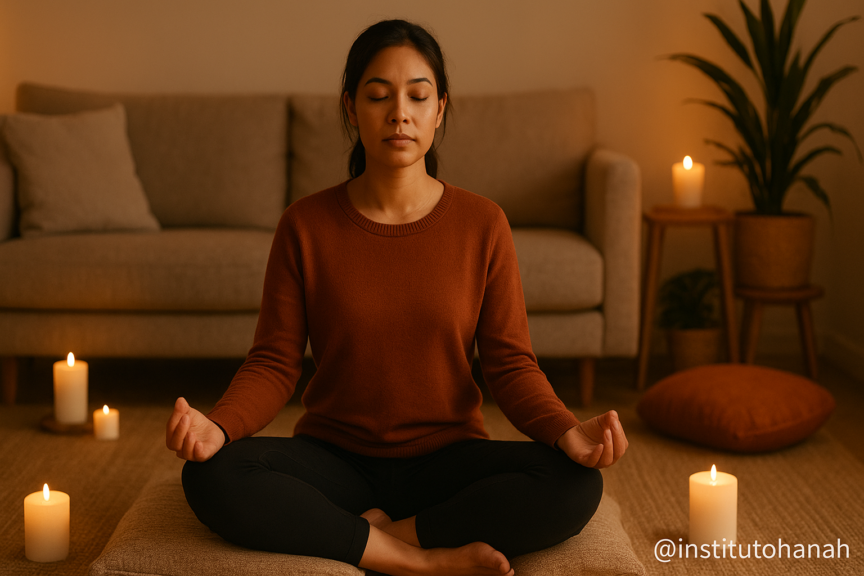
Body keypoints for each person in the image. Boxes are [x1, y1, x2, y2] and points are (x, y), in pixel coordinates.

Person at [167, 19, 628, 576]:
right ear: (349, 108)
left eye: (417, 95)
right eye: (378, 95)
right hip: (335, 460)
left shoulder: (483, 223)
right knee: (211, 475)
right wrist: (218, 426)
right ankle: (420, 561)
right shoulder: (305, 225)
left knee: (574, 484)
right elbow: (274, 361)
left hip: (448, 460)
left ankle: (383, 536)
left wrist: (565, 430)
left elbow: (509, 364)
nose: (399, 113)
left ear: (440, 109)